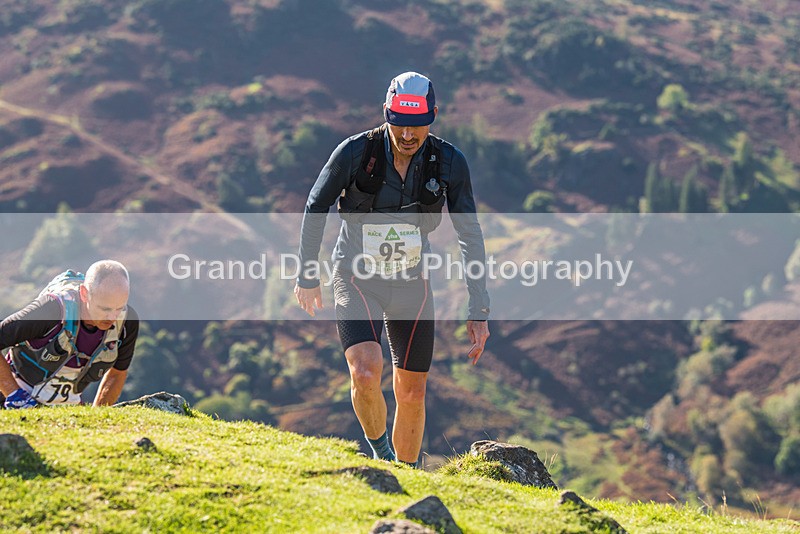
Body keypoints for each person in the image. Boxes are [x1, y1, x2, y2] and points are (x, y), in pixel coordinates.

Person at [294, 72, 490, 466]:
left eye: (417, 125)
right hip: (356, 277)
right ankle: (382, 456)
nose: (407, 134)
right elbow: (316, 205)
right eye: (399, 123)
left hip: (411, 284)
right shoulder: (355, 153)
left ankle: (407, 474)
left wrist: (478, 309)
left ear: (433, 116)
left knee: (412, 392)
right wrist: (307, 275)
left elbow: (469, 232)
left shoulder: (449, 162)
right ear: (386, 113)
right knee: (366, 373)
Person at [0, 260, 139, 409]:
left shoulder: (126, 321)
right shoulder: (52, 309)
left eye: (119, 308)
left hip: (67, 407)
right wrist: (15, 395)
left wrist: (98, 415)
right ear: (84, 294)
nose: (112, 317)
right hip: (12, 397)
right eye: (105, 309)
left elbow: (117, 373)